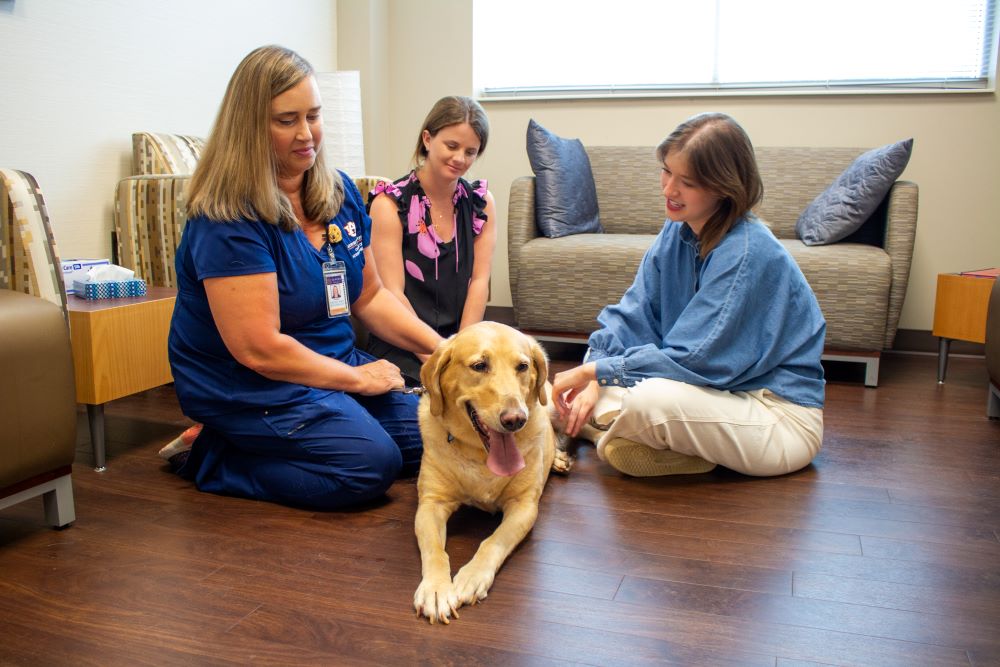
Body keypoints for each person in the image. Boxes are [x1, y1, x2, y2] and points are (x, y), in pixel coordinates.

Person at [158, 45, 443, 510]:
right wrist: (358, 381)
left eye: (313, 115)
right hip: (252, 385)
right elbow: (259, 348)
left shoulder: (339, 191)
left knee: (442, 437)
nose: (307, 134)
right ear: (250, 128)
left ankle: (315, 427)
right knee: (370, 467)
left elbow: (370, 296)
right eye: (286, 120)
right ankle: (213, 454)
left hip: (329, 367)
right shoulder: (228, 219)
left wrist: (444, 351)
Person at [551, 112, 826, 478]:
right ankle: (641, 438)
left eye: (688, 183)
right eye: (666, 171)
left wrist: (596, 375)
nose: (668, 190)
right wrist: (595, 370)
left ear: (725, 188)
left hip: (773, 414)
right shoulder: (677, 229)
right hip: (710, 395)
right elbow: (634, 312)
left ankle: (604, 429)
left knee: (646, 400)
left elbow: (692, 360)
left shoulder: (747, 251)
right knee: (582, 383)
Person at [364, 96, 497, 383]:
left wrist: (464, 353)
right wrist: (438, 358)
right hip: (402, 340)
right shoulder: (389, 204)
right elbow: (391, 292)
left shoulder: (481, 204)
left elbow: (479, 281)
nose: (460, 158)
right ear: (427, 139)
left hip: (461, 341)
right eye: (452, 146)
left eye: (470, 151)